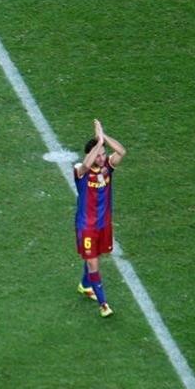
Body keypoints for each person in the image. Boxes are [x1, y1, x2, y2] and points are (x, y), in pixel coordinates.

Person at [73, 119, 126, 318]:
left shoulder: (107, 169)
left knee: (94, 258)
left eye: (104, 154)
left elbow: (121, 152)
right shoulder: (80, 172)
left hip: (103, 225)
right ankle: (104, 304)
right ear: (92, 154)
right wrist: (98, 143)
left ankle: (85, 285)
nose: (103, 157)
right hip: (86, 227)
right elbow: (87, 163)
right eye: (99, 154)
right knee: (94, 263)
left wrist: (103, 138)